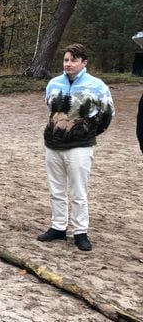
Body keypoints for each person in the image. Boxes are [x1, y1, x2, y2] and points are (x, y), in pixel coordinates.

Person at [37, 43, 114, 251]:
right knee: (56, 189)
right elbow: (50, 108)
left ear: (84, 62)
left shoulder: (97, 86)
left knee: (78, 191)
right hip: (53, 144)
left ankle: (81, 231)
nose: (68, 64)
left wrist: (88, 132)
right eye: (66, 60)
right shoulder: (53, 84)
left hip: (79, 146)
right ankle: (58, 227)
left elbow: (107, 114)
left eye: (73, 60)